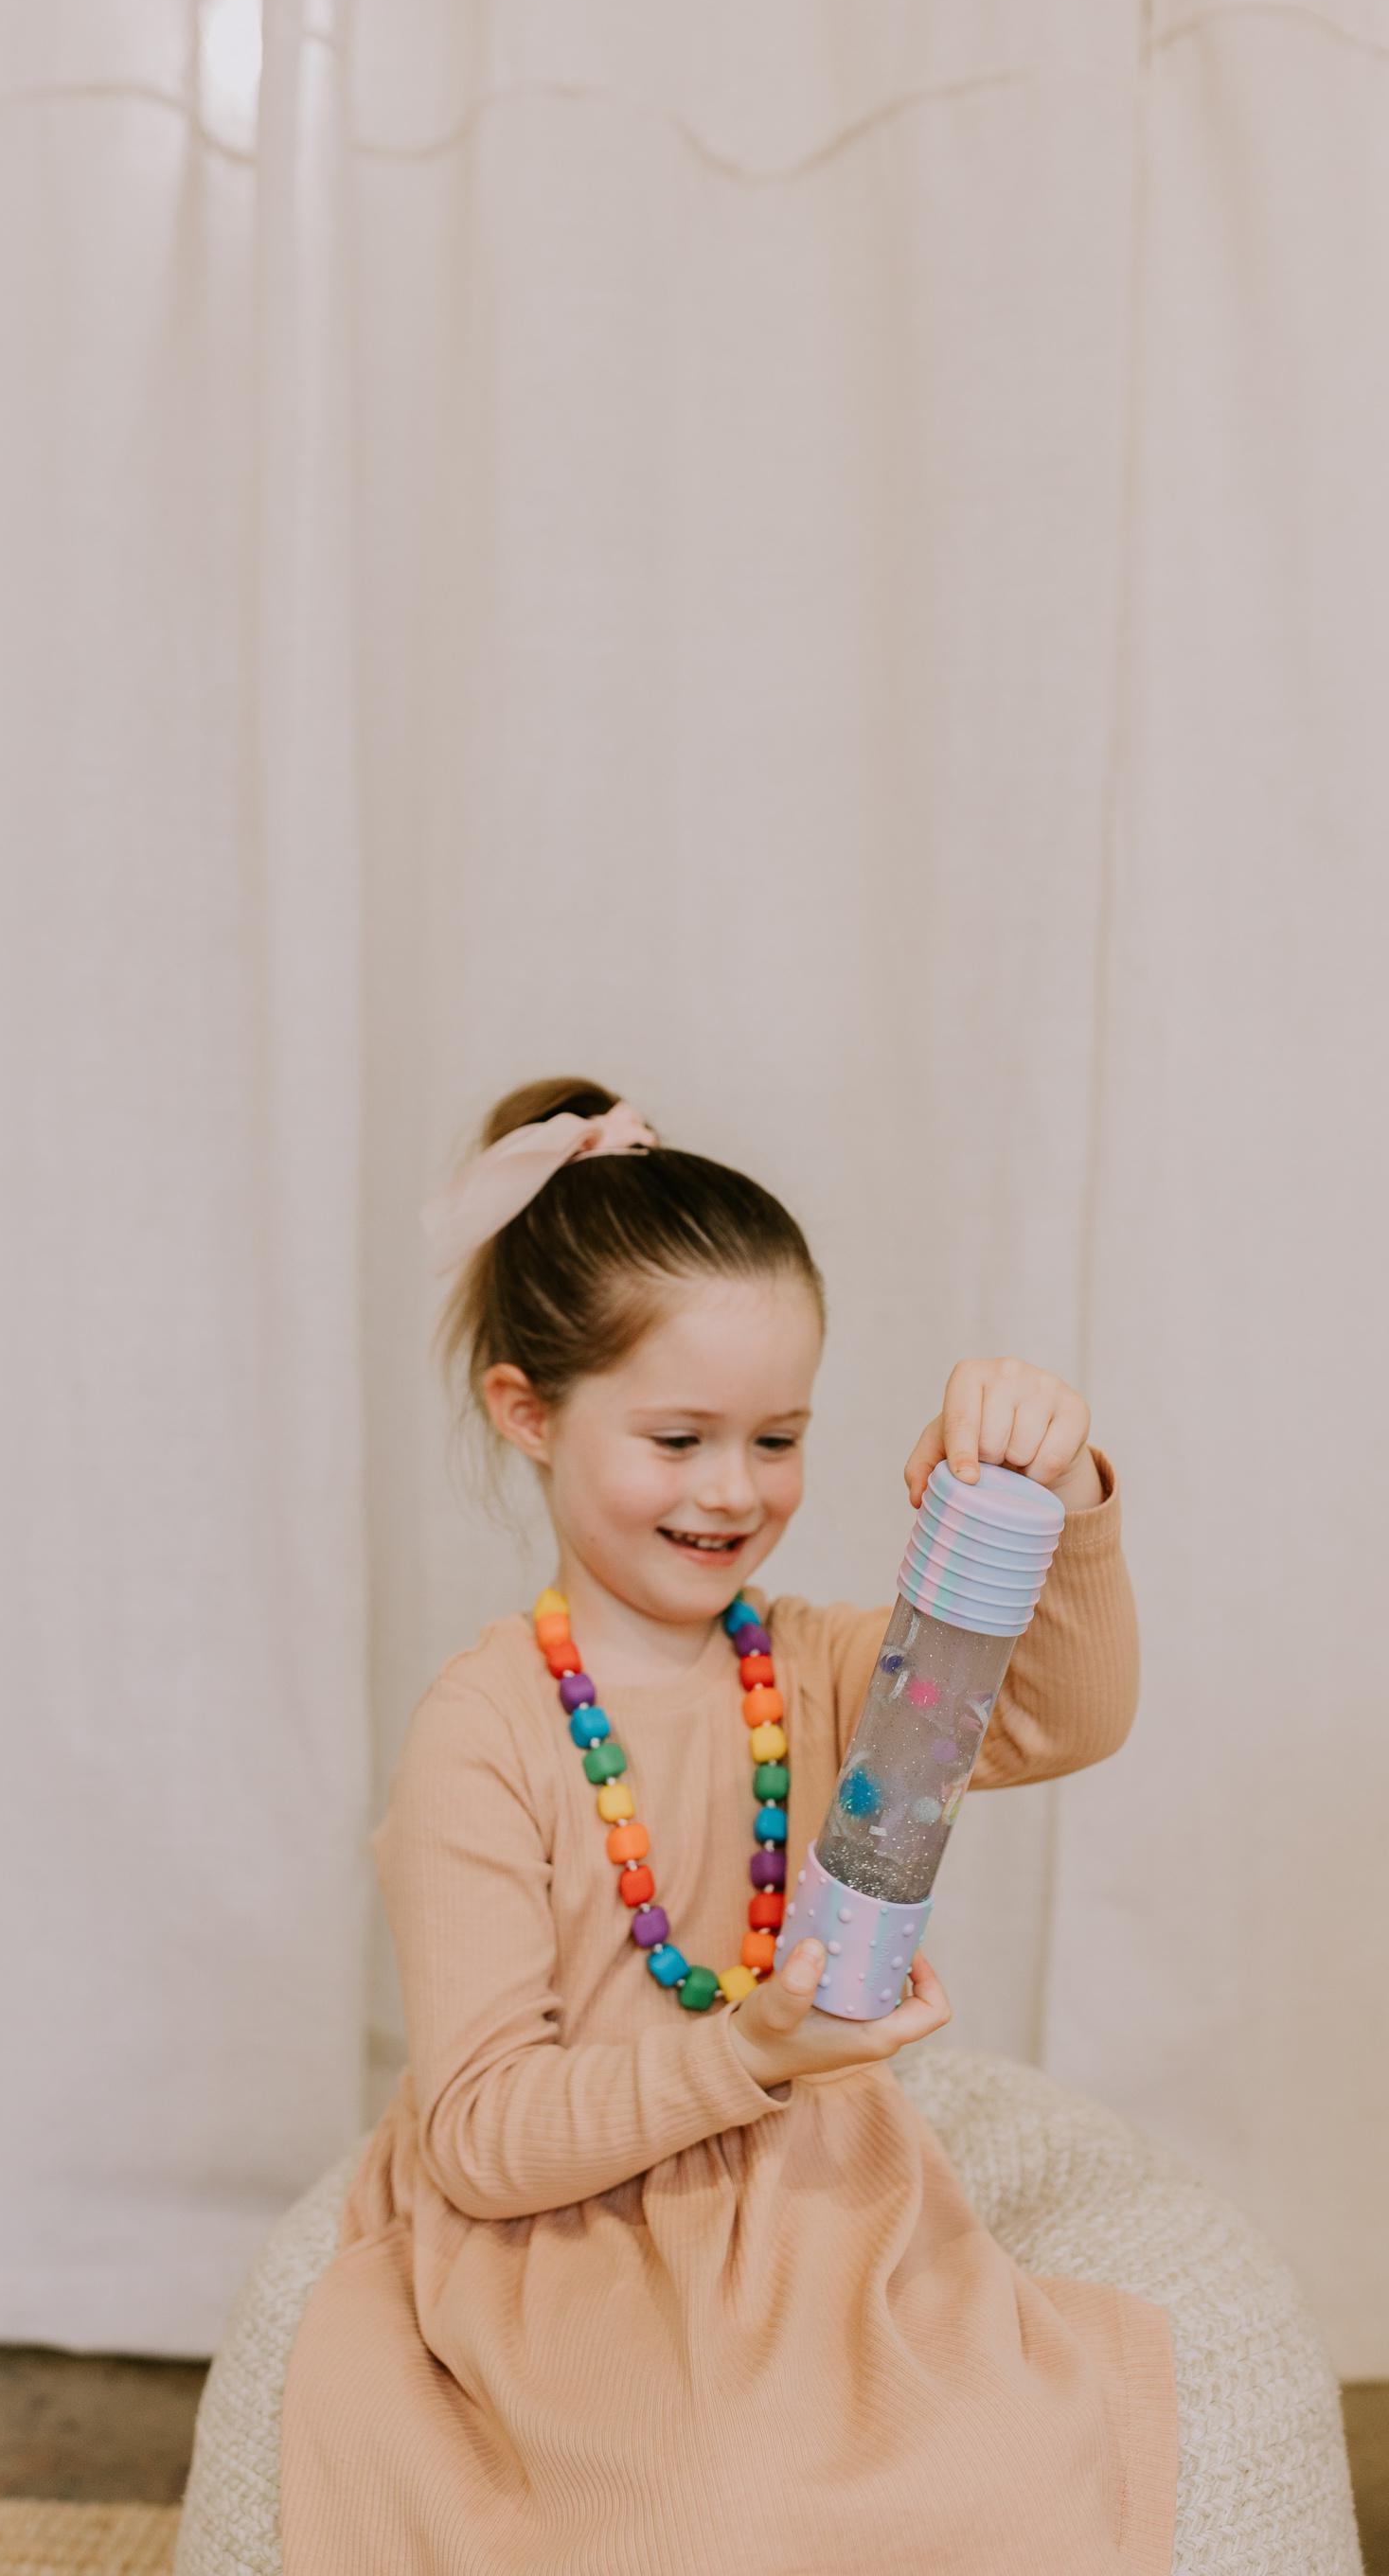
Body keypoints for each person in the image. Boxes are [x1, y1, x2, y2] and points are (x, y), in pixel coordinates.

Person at [278, 1077, 1177, 2575]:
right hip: (563, 2228)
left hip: (804, 2198)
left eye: (778, 1439)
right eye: (680, 1437)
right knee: (712, 2513)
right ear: (527, 1413)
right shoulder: (483, 1733)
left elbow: (1061, 1714)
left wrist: (1062, 1493)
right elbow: (484, 2138)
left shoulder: (816, 1669)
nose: (733, 1491)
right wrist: (747, 2052)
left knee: (1000, 2474)